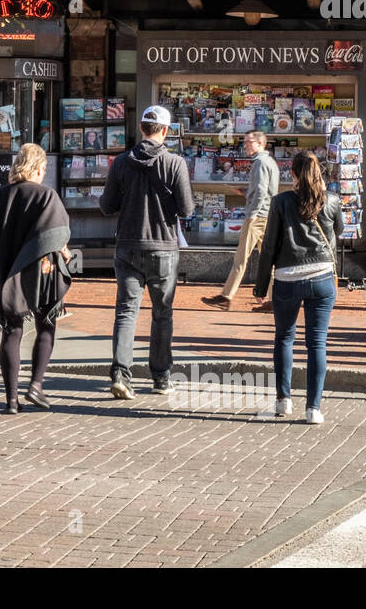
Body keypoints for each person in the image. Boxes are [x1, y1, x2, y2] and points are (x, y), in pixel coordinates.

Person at [0, 143, 71, 414]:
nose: (44, 173)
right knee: (46, 326)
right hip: (40, 274)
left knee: (12, 331)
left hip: (5, 273)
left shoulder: (0, 197)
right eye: (43, 168)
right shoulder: (47, 196)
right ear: (39, 167)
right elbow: (56, 236)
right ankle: (35, 386)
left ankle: (11, 401)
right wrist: (65, 254)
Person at [100, 105, 195, 399]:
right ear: (165, 131)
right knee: (162, 313)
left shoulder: (120, 163)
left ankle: (120, 374)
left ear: (141, 128)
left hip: (128, 246)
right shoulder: (174, 163)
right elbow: (187, 209)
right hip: (163, 249)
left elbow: (106, 206)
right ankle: (161, 377)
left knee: (126, 313)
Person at [253, 151, 341, 425]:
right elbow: (338, 233)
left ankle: (283, 400)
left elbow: (269, 245)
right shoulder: (332, 201)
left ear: (292, 174)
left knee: (284, 338)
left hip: (287, 277)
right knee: (317, 343)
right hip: (322, 277)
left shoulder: (280, 202)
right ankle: (313, 408)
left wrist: (260, 285)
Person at [203, 130, 279, 313]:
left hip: (257, 217)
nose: (245, 145)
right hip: (267, 215)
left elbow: (261, 192)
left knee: (240, 258)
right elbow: (265, 190)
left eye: (249, 142)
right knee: (269, 260)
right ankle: (274, 300)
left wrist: (251, 213)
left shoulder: (260, 162)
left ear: (260, 143)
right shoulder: (270, 162)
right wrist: (245, 192)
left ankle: (226, 296)